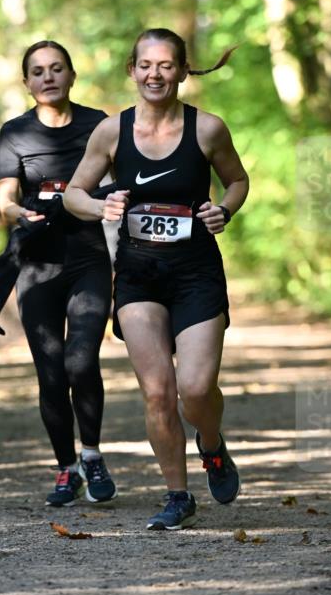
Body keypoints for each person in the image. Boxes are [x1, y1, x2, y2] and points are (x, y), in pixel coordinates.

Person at [64, 28, 249, 530]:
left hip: (196, 272)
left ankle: (211, 445)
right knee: (158, 393)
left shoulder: (207, 129)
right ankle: (177, 494)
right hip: (139, 274)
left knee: (195, 386)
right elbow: (73, 195)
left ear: (183, 71)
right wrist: (101, 204)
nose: (155, 74)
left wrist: (224, 210)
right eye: (146, 64)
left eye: (166, 65)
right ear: (132, 70)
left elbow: (237, 180)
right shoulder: (111, 132)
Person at [0, 40, 116, 507]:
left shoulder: (98, 124)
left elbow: (120, 183)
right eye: (38, 71)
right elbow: (5, 197)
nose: (48, 77)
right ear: (27, 82)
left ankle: (92, 455)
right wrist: (14, 212)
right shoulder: (15, 133)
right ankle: (66, 469)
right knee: (50, 375)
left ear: (71, 75)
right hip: (38, 265)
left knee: (81, 361)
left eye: (57, 69)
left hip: (88, 258)